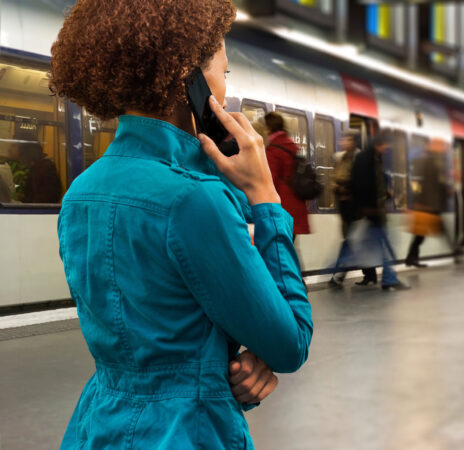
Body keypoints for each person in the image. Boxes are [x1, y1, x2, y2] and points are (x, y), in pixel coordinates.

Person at [50, 1, 313, 448]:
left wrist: (225, 364)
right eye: (223, 75)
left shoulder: (81, 192)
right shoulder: (194, 199)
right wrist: (266, 197)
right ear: (184, 76)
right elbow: (290, 344)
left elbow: (162, 327)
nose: (225, 93)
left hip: (97, 426)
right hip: (185, 433)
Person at [350, 133, 409, 290]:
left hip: (373, 212)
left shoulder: (373, 158)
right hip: (372, 213)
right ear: (378, 144)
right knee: (383, 248)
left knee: (380, 247)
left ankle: (386, 278)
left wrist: (386, 193)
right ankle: (389, 279)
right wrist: (369, 207)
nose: (387, 148)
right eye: (385, 145)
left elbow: (375, 183)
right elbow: (362, 184)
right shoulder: (366, 159)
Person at [405, 138, 453, 267]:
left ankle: (411, 258)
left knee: (420, 234)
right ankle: (456, 252)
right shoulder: (435, 162)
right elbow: (437, 182)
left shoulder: (429, 161)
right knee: (426, 232)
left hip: (427, 203)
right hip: (430, 204)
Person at [264, 111, 310, 240]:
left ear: (268, 128)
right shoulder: (292, 145)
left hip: (282, 206)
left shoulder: (274, 149)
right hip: (296, 204)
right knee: (289, 246)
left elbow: (270, 180)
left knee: (280, 249)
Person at [328, 131, 361, 289]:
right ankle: (370, 274)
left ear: (354, 142)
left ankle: (339, 274)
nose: (343, 142)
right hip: (344, 205)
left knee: (349, 241)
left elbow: (356, 182)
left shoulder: (358, 158)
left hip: (355, 206)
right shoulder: (341, 158)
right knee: (352, 240)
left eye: (347, 140)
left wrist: (340, 184)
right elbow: (337, 177)